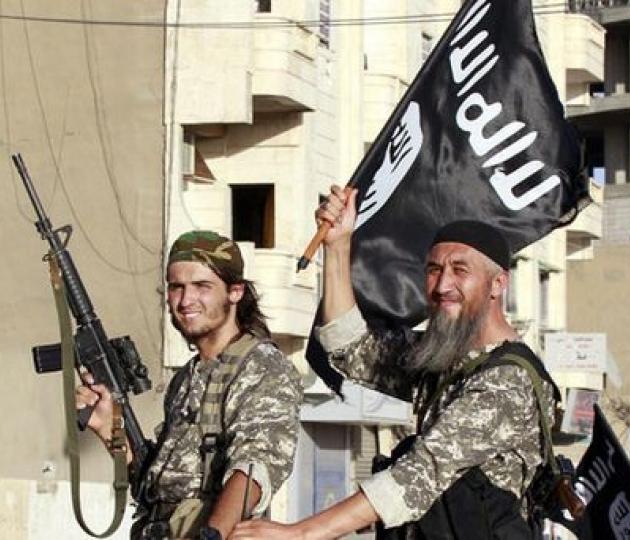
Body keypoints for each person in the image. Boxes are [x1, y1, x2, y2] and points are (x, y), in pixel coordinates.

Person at [231, 187, 558, 539]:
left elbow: (418, 474)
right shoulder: (445, 356)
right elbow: (351, 349)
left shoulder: (507, 381)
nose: (442, 285)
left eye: (460, 270)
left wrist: (300, 533)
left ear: (498, 284)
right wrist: (338, 246)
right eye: (434, 270)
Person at [76, 230, 303, 540]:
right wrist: (110, 429)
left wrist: (212, 534)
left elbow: (253, 471)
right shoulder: (186, 377)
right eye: (176, 287)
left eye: (202, 286)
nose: (185, 300)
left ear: (235, 292)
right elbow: (157, 487)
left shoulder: (262, 367)